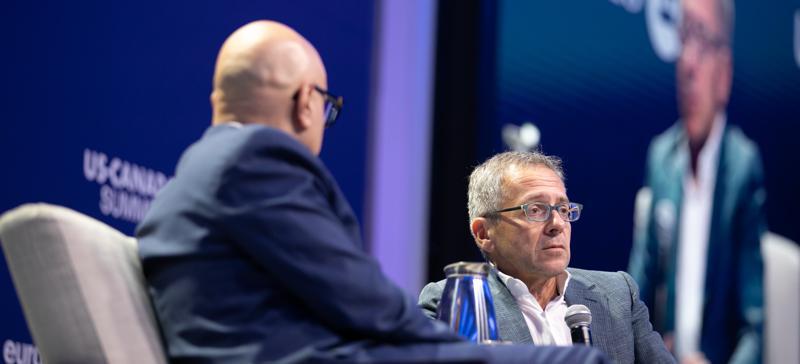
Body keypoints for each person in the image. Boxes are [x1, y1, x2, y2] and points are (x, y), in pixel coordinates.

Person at [137, 21, 608, 364]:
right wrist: (463, 352)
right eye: (327, 106)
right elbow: (361, 302)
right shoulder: (255, 162)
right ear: (305, 103)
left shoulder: (202, 173)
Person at [419, 151, 675, 364]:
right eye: (535, 210)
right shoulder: (455, 303)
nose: (557, 224)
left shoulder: (618, 294)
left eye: (563, 209)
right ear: (483, 233)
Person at [627, 0, 766, 363]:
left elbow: (754, 329)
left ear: (725, 74)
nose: (688, 62)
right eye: (683, 37)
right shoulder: (662, 157)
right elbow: (637, 295)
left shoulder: (742, 167)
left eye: (702, 40)